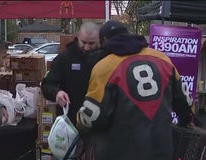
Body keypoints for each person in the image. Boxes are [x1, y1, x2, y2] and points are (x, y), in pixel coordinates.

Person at [76, 20, 195, 160]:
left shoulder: (105, 67)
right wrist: (185, 121)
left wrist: (78, 122)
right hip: (162, 150)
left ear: (104, 41)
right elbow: (186, 105)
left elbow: (92, 117)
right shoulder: (162, 59)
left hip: (119, 152)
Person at [41, 21, 100, 125]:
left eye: (91, 43)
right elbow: (47, 84)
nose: (87, 47)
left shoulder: (103, 58)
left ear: (98, 40)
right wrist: (57, 93)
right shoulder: (65, 58)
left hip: (97, 122)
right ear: (78, 37)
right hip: (70, 121)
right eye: (84, 42)